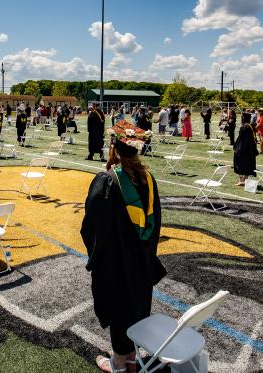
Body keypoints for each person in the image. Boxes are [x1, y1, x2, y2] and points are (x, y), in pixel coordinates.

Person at [81, 119, 164, 373]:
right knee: (136, 306)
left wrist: (95, 254)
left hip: (115, 264)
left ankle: (120, 363)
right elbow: (155, 222)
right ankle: (129, 356)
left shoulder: (107, 181)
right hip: (141, 260)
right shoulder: (148, 179)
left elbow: (91, 227)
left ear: (114, 148)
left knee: (118, 308)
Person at [233, 112, 258, 186]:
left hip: (243, 150)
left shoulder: (244, 127)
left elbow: (243, 140)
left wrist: (238, 149)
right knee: (246, 165)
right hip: (249, 149)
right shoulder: (250, 126)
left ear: (243, 118)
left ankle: (242, 180)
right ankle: (245, 180)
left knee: (240, 164)